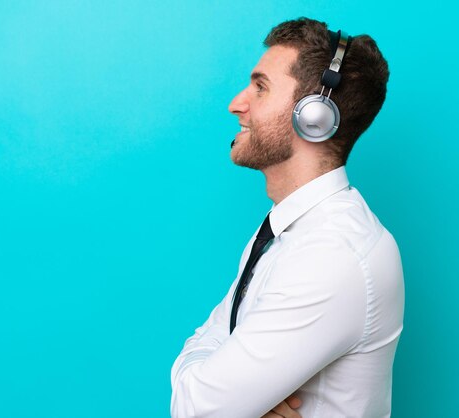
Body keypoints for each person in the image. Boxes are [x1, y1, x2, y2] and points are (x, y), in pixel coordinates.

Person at [170, 17, 404, 418]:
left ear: (315, 117)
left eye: (260, 88)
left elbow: (196, 409)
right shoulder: (286, 229)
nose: (236, 104)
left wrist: (212, 380)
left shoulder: (331, 255)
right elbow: (212, 342)